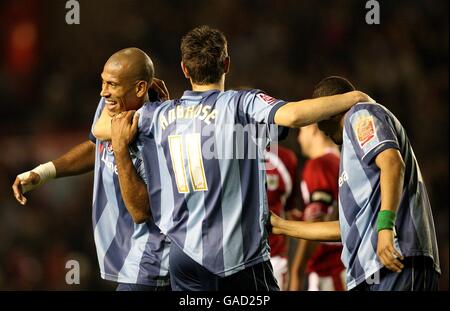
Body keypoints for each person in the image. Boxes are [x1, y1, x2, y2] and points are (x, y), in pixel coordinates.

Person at [94, 26, 372, 291]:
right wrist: (354, 97)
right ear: (226, 64)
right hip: (237, 259)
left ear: (184, 69)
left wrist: (139, 89)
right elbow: (296, 115)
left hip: (185, 258)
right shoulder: (242, 104)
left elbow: (101, 128)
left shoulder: (160, 115)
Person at [11, 48, 171, 291]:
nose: (103, 91)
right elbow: (95, 145)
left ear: (139, 89)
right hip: (127, 252)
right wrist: (44, 173)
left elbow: (141, 211)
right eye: (103, 81)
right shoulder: (111, 107)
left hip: (153, 256)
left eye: (112, 84)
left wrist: (119, 147)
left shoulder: (156, 130)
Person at [271, 76, 441, 291]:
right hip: (372, 270)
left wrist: (385, 226)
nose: (316, 124)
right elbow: (348, 228)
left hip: (395, 259)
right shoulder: (349, 156)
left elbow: (391, 162)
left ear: (329, 109)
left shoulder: (360, 114)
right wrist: (281, 226)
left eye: (317, 114)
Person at [289, 124, 345, 291]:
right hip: (345, 266)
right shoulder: (340, 161)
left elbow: (317, 219)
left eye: (301, 130)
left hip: (330, 271)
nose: (298, 137)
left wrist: (296, 271)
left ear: (313, 128)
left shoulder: (320, 165)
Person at [264, 144, 298, 290]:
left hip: (273, 257)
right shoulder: (222, 152)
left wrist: (294, 269)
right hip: (230, 260)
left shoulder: (284, 158)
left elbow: (291, 213)